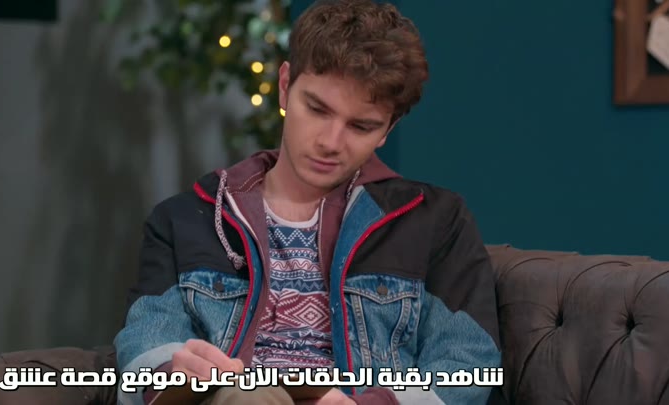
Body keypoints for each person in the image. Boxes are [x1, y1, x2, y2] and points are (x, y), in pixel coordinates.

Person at [114, 0, 502, 404]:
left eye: (361, 126)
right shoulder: (186, 219)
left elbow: (469, 366)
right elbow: (144, 351)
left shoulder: (434, 221)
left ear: (388, 129)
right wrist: (170, 374)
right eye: (317, 109)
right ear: (285, 86)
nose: (330, 143)